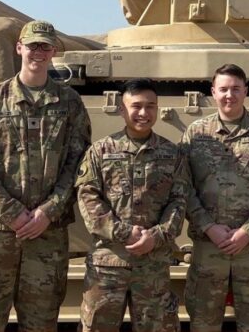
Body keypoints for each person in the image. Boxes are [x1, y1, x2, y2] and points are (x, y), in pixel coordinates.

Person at [0, 20, 91, 331]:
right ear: (19, 48)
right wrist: (13, 214)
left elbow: (78, 164)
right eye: (33, 45)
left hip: (46, 236)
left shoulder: (70, 103)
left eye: (46, 46)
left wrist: (49, 211)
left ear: (53, 52)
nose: (39, 52)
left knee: (41, 323)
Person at [182, 63, 249, 332]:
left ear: (245, 92)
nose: (229, 95)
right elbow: (182, 187)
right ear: (212, 92)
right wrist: (208, 227)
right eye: (223, 89)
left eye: (235, 89)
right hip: (209, 248)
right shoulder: (196, 134)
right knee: (203, 325)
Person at [76, 78, 188, 332]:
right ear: (121, 109)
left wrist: (157, 236)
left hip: (153, 265)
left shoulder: (172, 154)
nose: (143, 113)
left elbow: (179, 201)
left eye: (151, 106)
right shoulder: (101, 151)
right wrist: (125, 233)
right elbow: (88, 198)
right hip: (108, 265)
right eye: (136, 106)